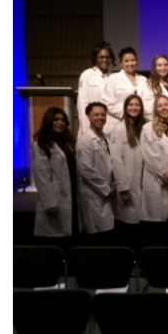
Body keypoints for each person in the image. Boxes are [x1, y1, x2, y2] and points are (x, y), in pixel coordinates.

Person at [32, 107, 79, 245]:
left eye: (63, 120)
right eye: (56, 119)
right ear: (49, 122)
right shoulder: (41, 145)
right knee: (57, 240)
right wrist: (49, 203)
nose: (60, 123)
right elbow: (42, 177)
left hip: (72, 193)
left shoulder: (68, 142)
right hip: (56, 197)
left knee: (72, 235)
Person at [140, 94, 168, 246]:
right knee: (154, 226)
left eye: (166, 105)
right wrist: (165, 174)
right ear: (155, 109)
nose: (164, 108)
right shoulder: (147, 128)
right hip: (156, 180)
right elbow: (149, 155)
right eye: (160, 105)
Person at [110, 95, 146, 252]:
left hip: (144, 185)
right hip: (128, 185)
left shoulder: (145, 127)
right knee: (128, 227)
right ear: (125, 108)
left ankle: (138, 262)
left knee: (140, 229)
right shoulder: (119, 129)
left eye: (137, 105)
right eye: (130, 105)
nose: (134, 108)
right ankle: (128, 264)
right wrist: (123, 187)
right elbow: (116, 159)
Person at [77, 102, 116, 242]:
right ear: (88, 116)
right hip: (94, 194)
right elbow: (86, 170)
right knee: (98, 237)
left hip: (106, 193)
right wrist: (106, 188)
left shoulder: (104, 137)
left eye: (103, 115)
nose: (100, 117)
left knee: (106, 231)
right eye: (96, 114)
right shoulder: (85, 140)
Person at [103, 47, 154, 125]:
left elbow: (147, 101)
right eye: (126, 61)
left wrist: (137, 115)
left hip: (138, 122)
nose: (130, 63)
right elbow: (108, 103)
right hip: (117, 121)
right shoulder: (113, 79)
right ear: (121, 64)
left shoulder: (143, 79)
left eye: (133, 60)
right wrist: (128, 114)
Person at [77, 41, 114, 134]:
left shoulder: (114, 77)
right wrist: (86, 129)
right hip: (91, 126)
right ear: (95, 58)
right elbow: (82, 104)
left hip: (110, 127)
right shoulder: (87, 75)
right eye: (101, 57)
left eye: (107, 57)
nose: (104, 60)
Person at [144, 54, 168, 120]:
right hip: (157, 122)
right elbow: (148, 107)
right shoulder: (149, 84)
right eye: (159, 65)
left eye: (166, 65)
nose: (163, 68)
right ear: (154, 68)